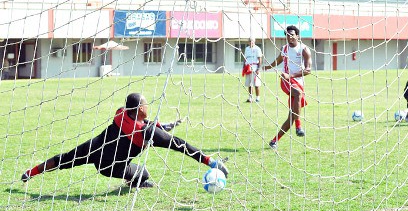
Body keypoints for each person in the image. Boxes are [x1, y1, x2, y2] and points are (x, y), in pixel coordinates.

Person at [21, 93, 229, 188]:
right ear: (140, 108)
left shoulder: (121, 114)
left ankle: (30, 173)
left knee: (63, 159)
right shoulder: (146, 132)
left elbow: (139, 122)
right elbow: (179, 145)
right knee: (144, 173)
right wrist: (209, 160)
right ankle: (134, 181)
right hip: (112, 168)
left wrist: (160, 125)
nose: (148, 105)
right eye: (146, 104)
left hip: (94, 150)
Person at [263, 25, 312, 149]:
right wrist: (267, 67)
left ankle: (274, 141)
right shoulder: (284, 48)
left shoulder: (304, 49)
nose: (289, 37)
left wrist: (291, 75)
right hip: (286, 81)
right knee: (297, 94)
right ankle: (299, 127)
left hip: (298, 82)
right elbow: (278, 60)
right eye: (287, 35)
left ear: (297, 35)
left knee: (292, 116)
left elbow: (308, 70)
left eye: (292, 34)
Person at [242, 37, 263, 103]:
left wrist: (258, 69)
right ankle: (250, 98)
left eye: (252, 41)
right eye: (250, 41)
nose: (251, 42)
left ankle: (258, 98)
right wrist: (243, 67)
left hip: (255, 67)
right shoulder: (247, 49)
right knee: (249, 84)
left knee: (256, 84)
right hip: (248, 67)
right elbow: (245, 58)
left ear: (254, 41)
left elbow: (260, 59)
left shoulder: (257, 49)